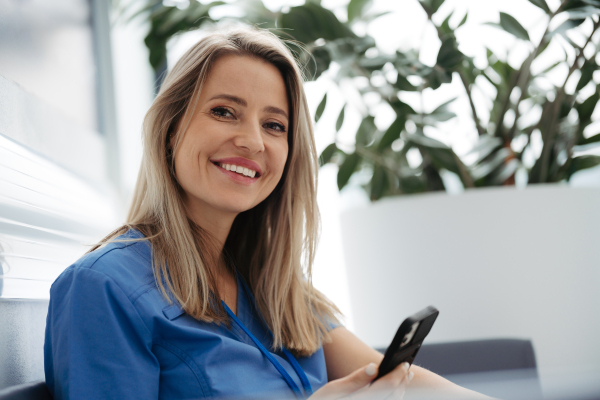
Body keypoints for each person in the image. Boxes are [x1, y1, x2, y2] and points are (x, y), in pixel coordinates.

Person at [44, 26, 484, 399]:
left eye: (274, 125)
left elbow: (398, 380)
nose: (253, 141)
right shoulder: (103, 289)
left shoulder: (273, 287)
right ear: (170, 131)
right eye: (224, 112)